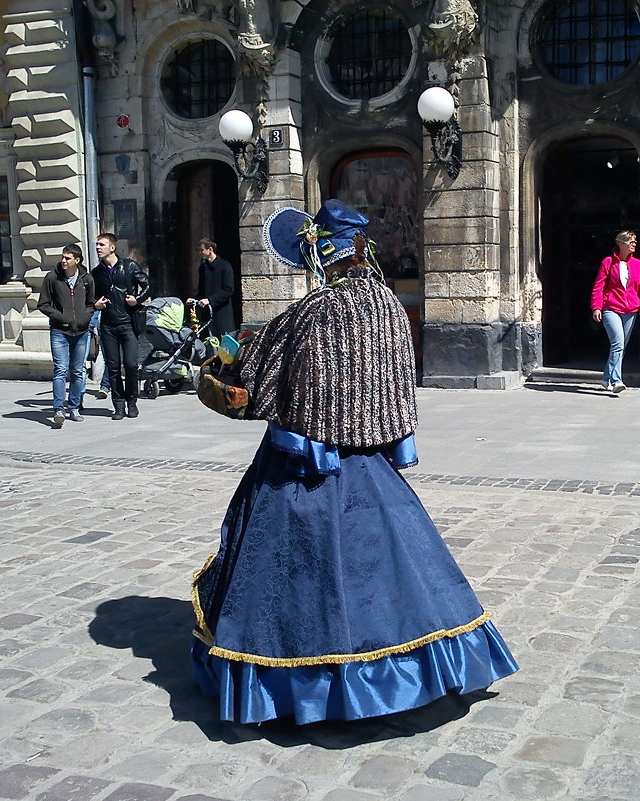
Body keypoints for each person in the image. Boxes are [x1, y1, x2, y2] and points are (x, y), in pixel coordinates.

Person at [190, 199, 518, 725]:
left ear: (320, 256)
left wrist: (219, 371)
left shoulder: (309, 313)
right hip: (372, 469)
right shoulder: (389, 305)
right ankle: (408, 675)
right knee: (398, 576)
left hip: (303, 473)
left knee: (293, 583)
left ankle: (299, 687)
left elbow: (254, 391)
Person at [590, 230, 640, 394]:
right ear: (621, 244)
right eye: (631, 242)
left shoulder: (638, 265)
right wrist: (596, 307)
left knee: (620, 346)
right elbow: (599, 285)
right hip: (611, 308)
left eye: (635, 241)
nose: (634, 244)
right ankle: (616, 380)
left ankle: (606, 377)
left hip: (630, 310)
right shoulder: (608, 262)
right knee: (618, 343)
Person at [91, 232, 150, 420]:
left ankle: (132, 402)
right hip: (108, 325)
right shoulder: (97, 273)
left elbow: (148, 285)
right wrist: (95, 305)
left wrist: (137, 299)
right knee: (113, 367)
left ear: (112, 248)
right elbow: (91, 297)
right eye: (97, 245)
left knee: (131, 365)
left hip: (128, 324)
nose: (98, 247)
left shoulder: (130, 266)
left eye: (101, 244)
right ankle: (118, 405)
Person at [37, 244, 95, 426]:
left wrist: (85, 317)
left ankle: (75, 407)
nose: (63, 261)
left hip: (81, 332)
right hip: (59, 331)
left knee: (78, 371)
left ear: (77, 261)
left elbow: (91, 304)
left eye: (68, 258)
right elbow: (43, 304)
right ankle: (58, 409)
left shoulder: (87, 279)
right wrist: (60, 317)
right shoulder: (52, 278)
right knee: (61, 369)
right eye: (63, 257)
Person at [187, 238, 235, 337]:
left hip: (222, 313)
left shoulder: (225, 266)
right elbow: (202, 291)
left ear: (210, 249)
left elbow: (228, 290)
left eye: (202, 250)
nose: (200, 253)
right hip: (207, 314)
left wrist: (210, 300)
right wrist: (194, 300)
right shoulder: (203, 268)